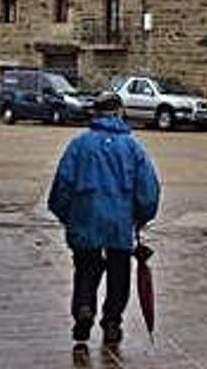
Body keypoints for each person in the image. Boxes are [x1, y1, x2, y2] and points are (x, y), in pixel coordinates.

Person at [48, 93, 160, 351]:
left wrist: (67, 215)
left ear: (95, 114)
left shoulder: (79, 145)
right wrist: (142, 217)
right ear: (119, 113)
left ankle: (84, 308)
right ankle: (111, 323)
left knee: (86, 268)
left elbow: (62, 185)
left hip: (84, 218)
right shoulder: (132, 148)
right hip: (120, 223)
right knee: (119, 273)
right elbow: (148, 189)